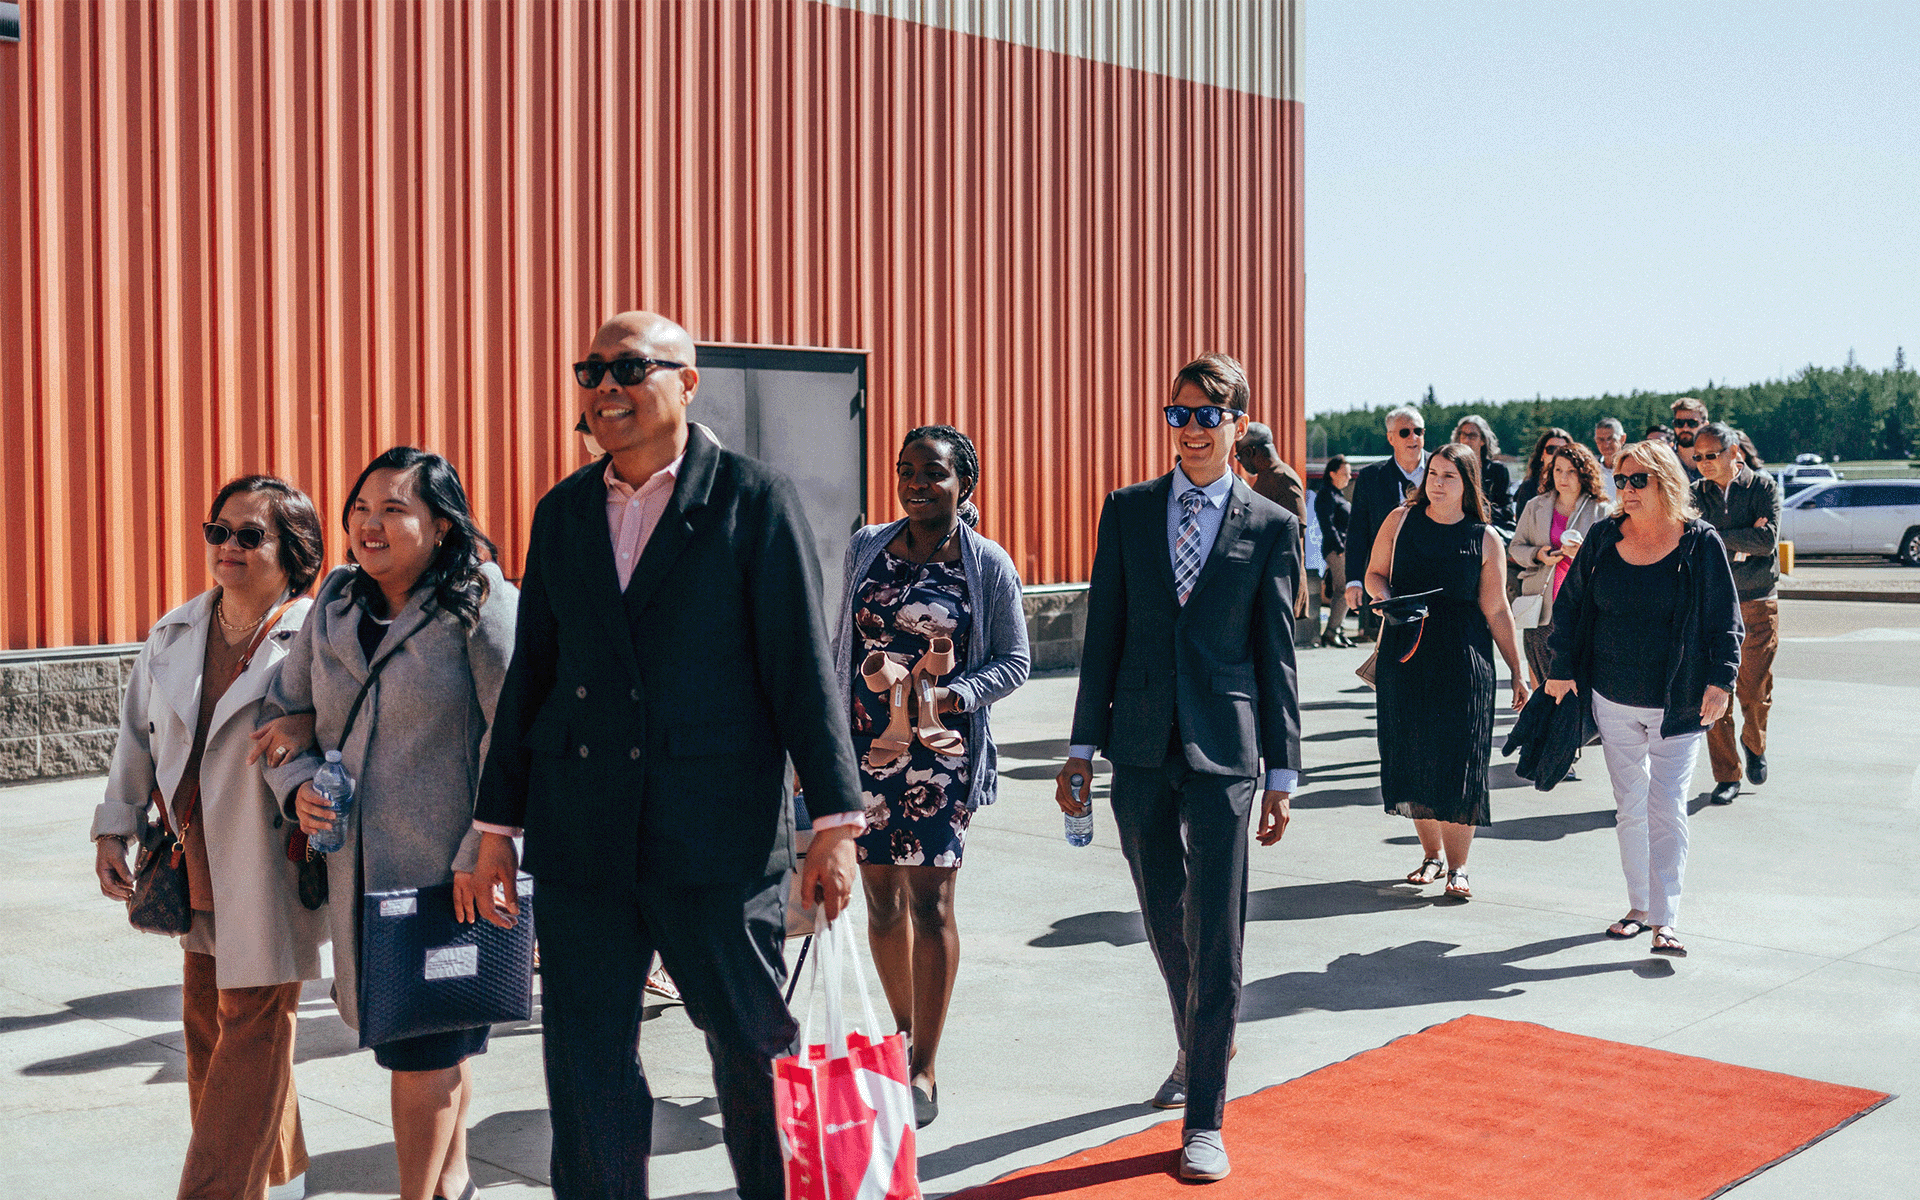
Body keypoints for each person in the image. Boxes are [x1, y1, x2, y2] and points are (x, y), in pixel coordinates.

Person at [464, 311, 863, 1200]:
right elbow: (533, 675)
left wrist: (836, 818)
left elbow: (800, 667)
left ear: (687, 382)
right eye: (592, 370)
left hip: (713, 840)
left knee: (754, 1050)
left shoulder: (753, 500)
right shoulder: (565, 513)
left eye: (630, 368)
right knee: (586, 1064)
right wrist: (495, 827)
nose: (606, 386)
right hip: (584, 841)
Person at [1056, 352, 1301, 1184]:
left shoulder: (1270, 525)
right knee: (1165, 915)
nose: (1192, 429)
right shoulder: (1126, 512)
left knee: (1218, 928)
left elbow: (1278, 657)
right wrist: (1082, 747)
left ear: (1238, 421)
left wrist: (1283, 772)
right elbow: (1104, 641)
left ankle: (1205, 1115)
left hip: (1227, 750)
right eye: (1179, 413)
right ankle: (1202, 1035)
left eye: (1208, 414)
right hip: (1139, 744)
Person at [256, 449, 517, 1200]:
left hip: (450, 874)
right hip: (356, 876)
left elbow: (518, 729)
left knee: (420, 1049)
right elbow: (283, 716)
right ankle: (452, 1180)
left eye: (394, 509)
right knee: (435, 1035)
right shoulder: (335, 605)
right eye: (361, 508)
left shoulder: (479, 602)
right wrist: (297, 787)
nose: (369, 525)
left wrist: (487, 843)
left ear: (440, 526)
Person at [92, 476, 327, 1200]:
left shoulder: (317, 632)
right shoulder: (177, 630)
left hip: (270, 859)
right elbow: (137, 733)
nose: (227, 546)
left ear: (292, 550)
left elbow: (349, 730)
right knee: (206, 1025)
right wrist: (115, 825)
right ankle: (278, 1175)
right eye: (217, 531)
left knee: (250, 1028)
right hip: (191, 856)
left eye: (249, 535)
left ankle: (219, 1191)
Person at [832, 425, 1030, 1129]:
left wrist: (954, 696)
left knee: (930, 905)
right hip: (866, 752)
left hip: (942, 759)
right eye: (906, 470)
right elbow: (841, 646)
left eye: (934, 473)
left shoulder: (988, 564)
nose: (916, 483)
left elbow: (1014, 661)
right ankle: (901, 1033)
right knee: (880, 905)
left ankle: (923, 1066)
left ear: (963, 484)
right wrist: (819, 747)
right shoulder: (867, 548)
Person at [1544, 441, 1740, 958]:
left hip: (1679, 702)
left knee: (1666, 804)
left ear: (1665, 483)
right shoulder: (1605, 537)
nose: (1624, 490)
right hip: (1613, 697)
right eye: (1620, 480)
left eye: (1637, 481)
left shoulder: (1700, 542)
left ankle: (1666, 920)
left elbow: (1726, 619)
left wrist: (1722, 680)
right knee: (1630, 806)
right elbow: (1571, 606)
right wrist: (1561, 670)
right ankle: (1639, 906)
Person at [1364, 443, 1529, 900]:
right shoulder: (1400, 521)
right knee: (1412, 755)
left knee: (1461, 762)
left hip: (1464, 658)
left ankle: (1459, 868)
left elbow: (1496, 609)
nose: (1436, 482)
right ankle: (1431, 856)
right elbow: (1375, 573)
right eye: (1432, 473)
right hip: (1407, 651)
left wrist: (1519, 671)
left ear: (1467, 484)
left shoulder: (1485, 537)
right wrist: (1387, 602)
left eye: (1448, 476)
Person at [1689, 422, 1781, 805]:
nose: (1704, 463)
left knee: (1754, 691)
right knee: (1714, 692)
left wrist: (1716, 539)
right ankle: (1727, 776)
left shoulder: (1763, 487)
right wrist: (1738, 538)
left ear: (1734, 454)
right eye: (1698, 457)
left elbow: (1767, 540)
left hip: (1758, 601)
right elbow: (1691, 539)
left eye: (1712, 455)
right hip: (1710, 603)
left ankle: (1755, 744)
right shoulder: (1694, 493)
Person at [1510, 443, 1612, 688]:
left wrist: (1583, 556)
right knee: (1544, 687)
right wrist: (1538, 554)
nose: (1563, 478)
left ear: (1584, 473)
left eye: (1571, 471)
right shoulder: (1536, 505)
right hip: (1541, 609)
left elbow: (1612, 562)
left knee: (1579, 686)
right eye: (1558, 470)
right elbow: (1515, 548)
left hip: (1583, 611)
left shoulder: (1601, 509)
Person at [1345, 405, 1428, 641]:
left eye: (1418, 431)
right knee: (1391, 648)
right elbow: (1358, 532)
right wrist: (1353, 580)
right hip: (1387, 577)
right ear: (1390, 438)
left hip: (1432, 575)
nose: (1413, 437)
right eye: (1405, 432)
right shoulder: (1371, 477)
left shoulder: (1441, 469)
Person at [1235, 422, 1312, 629]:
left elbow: (1297, 532)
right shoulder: (1266, 478)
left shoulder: (1283, 478)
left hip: (1281, 578)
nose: (1240, 462)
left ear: (1250, 451)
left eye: (1239, 455)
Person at [1314, 455, 1354, 647]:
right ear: (1332, 473)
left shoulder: (1338, 494)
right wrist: (1339, 547)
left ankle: (1338, 629)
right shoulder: (1326, 494)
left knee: (1346, 588)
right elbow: (1327, 524)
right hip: (1336, 549)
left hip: (1344, 548)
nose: (1348, 477)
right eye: (1344, 473)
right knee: (1343, 589)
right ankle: (1331, 632)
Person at [1452, 415, 1512, 527]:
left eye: (1472, 435)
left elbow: (1506, 509)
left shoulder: (1497, 471)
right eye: (1463, 434)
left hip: (1490, 529)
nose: (1466, 440)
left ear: (1483, 440)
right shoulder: (1451, 470)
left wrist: (1481, 511)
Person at [1509, 427, 1574, 513]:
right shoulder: (1529, 488)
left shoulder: (1576, 486)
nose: (1556, 455)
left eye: (1563, 451)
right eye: (1551, 449)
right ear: (1542, 455)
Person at [1671, 397, 1709, 480]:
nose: (1685, 428)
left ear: (1705, 425)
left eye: (1692, 423)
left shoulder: (1715, 459)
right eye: (1679, 423)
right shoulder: (1664, 460)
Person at [1593, 417, 1625, 499]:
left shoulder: (1633, 469)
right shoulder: (1591, 470)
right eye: (1601, 440)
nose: (1606, 445)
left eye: (1610, 439)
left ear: (1622, 439)